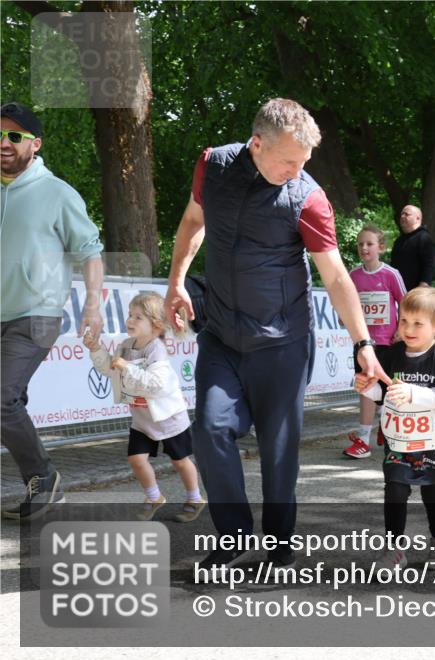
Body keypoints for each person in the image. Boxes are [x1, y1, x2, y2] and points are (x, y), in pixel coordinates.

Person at [163, 98, 388, 569]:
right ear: (257, 143)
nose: (296, 170)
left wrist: (363, 343)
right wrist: (177, 282)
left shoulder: (307, 197)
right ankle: (234, 538)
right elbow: (191, 223)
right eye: (289, 160)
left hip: (283, 340)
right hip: (223, 336)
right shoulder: (213, 166)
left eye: (304, 162)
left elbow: (337, 277)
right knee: (209, 431)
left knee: (277, 447)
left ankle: (280, 540)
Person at [1, 102, 105, 522]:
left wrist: (93, 307)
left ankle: (44, 480)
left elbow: (91, 252)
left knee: (1, 399)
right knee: (9, 400)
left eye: (14, 136)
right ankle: (40, 489)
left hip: (37, 314)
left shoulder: (58, 193)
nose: (4, 144)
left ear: (34, 144)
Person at [355, 288, 435, 568]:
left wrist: (413, 393)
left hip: (432, 443)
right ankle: (394, 549)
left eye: (417, 323)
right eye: (404, 321)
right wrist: (367, 389)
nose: (408, 329)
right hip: (398, 442)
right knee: (395, 490)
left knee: (433, 492)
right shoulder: (391, 355)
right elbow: (383, 393)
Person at [84, 293, 205, 522]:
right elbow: (110, 370)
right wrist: (96, 349)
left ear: (156, 325)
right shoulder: (125, 346)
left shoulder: (157, 351)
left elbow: (156, 385)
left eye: (138, 317)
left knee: (180, 461)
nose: (130, 320)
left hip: (168, 418)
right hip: (142, 420)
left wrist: (127, 368)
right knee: (136, 459)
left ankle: (195, 497)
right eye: (130, 315)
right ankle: (154, 497)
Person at [343, 225, 407, 459]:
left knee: (390, 389)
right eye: (360, 244)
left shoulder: (390, 274)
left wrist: (401, 330)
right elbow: (346, 306)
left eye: (369, 243)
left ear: (381, 247)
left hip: (388, 342)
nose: (364, 248)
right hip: (363, 343)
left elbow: (406, 303)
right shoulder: (353, 276)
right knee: (366, 389)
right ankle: (363, 439)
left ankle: (388, 429)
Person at [390, 204, 435, 291]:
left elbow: (429, 266)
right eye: (402, 214)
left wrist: (422, 289)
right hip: (397, 290)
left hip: (415, 292)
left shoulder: (424, 238)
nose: (402, 216)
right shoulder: (399, 241)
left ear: (417, 218)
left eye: (406, 214)